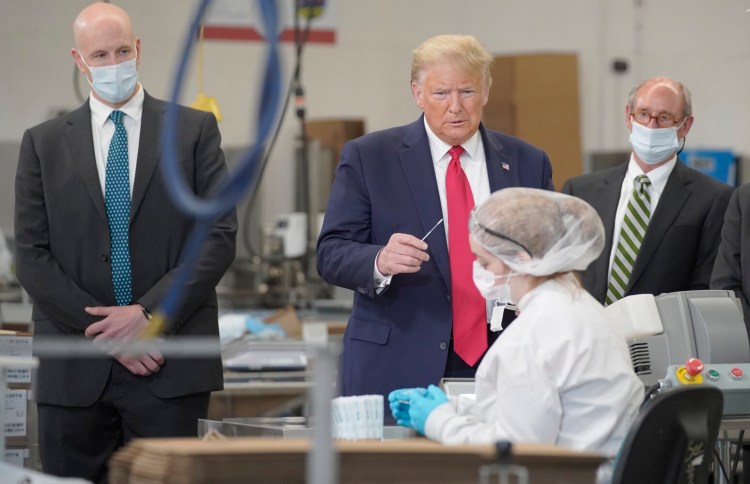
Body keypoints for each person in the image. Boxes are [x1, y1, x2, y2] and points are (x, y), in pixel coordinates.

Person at [14, 3, 236, 482]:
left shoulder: (194, 132)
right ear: (79, 59)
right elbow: (31, 257)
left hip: (169, 365)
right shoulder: (43, 144)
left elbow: (217, 237)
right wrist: (108, 333)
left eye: (121, 50)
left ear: (138, 49)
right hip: (74, 371)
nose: (113, 63)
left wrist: (147, 314)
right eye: (100, 54)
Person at [316, 34, 554, 400]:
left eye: (468, 92)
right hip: (398, 361)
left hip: (505, 359)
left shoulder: (528, 162)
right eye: (441, 93)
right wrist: (379, 260)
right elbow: (331, 253)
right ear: (417, 93)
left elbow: (551, 256)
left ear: (486, 91)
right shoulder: (371, 157)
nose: (455, 106)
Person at [388, 188, 644, 482]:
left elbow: (517, 452)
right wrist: (455, 406)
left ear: (522, 259)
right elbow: (538, 406)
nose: (478, 272)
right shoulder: (585, 309)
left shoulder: (532, 335)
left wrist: (437, 419)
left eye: (485, 263)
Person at [561, 77, 731, 305]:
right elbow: (563, 271)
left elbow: (705, 290)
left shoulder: (713, 199)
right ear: (628, 116)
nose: (651, 126)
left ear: (685, 126)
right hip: (590, 332)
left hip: (664, 336)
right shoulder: (580, 191)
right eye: (643, 114)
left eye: (664, 118)